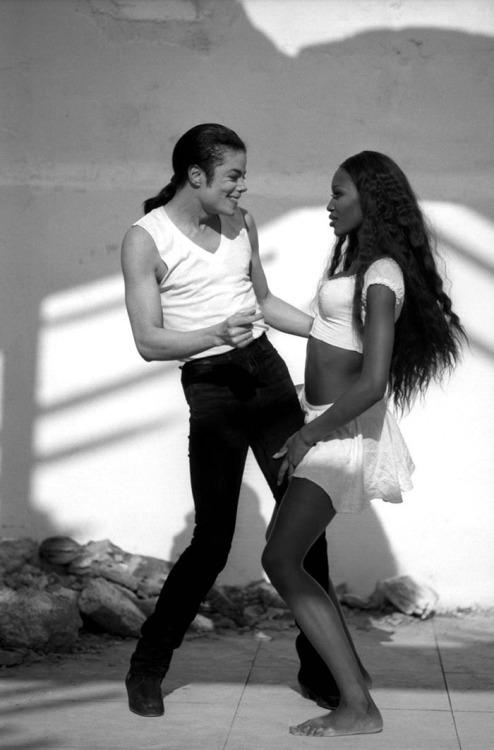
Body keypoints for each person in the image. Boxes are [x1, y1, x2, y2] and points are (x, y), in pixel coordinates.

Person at [120, 123, 341, 717]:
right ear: (196, 175)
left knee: (304, 527)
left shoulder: (243, 223)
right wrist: (213, 333)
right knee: (212, 542)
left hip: (267, 377)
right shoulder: (145, 240)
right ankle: (147, 668)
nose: (243, 186)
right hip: (212, 387)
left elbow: (263, 303)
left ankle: (320, 670)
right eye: (233, 176)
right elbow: (148, 341)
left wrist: (329, 332)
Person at [262, 150, 466, 737]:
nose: (329, 204)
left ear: (369, 198)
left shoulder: (381, 275)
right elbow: (320, 333)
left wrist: (307, 434)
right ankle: (355, 683)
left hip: (340, 433)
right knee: (291, 557)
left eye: (339, 193)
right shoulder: (355, 265)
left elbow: (374, 381)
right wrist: (247, 249)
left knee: (281, 558)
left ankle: (357, 706)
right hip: (323, 421)